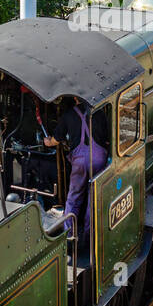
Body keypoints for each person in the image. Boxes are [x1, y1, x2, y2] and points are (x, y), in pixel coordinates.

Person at [44, 100, 109, 260]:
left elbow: (56, 140)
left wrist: (48, 142)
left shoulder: (69, 115)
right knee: (93, 199)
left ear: (74, 99)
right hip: (99, 159)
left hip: (80, 161)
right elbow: (107, 138)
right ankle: (89, 236)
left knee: (73, 199)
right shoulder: (100, 112)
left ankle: (70, 236)